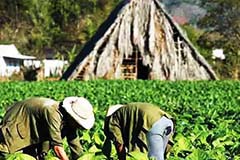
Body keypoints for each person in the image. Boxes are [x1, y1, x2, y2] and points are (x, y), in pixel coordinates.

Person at [0, 96, 95, 160]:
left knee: (32, 156)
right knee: (7, 153)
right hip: (18, 118)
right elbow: (57, 147)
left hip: (34, 128)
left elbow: (76, 146)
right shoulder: (53, 113)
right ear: (72, 116)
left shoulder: (70, 122)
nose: (78, 126)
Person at [103, 102, 174, 160]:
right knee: (159, 156)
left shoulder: (113, 119)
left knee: (152, 157)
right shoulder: (127, 110)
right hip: (167, 121)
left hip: (152, 124)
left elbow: (119, 143)